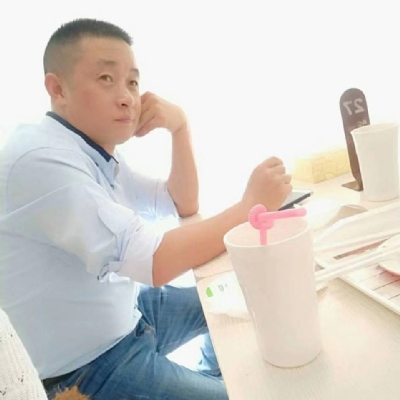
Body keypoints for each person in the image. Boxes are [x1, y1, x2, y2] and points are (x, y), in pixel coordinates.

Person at [0, 18, 292, 400]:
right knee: (242, 394)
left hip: (130, 316)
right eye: (106, 78)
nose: (127, 97)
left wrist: (180, 127)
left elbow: (179, 202)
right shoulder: (42, 161)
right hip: (89, 369)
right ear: (58, 89)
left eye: (133, 82)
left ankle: (209, 375)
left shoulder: (90, 150)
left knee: (240, 293)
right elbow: (153, 262)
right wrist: (249, 207)